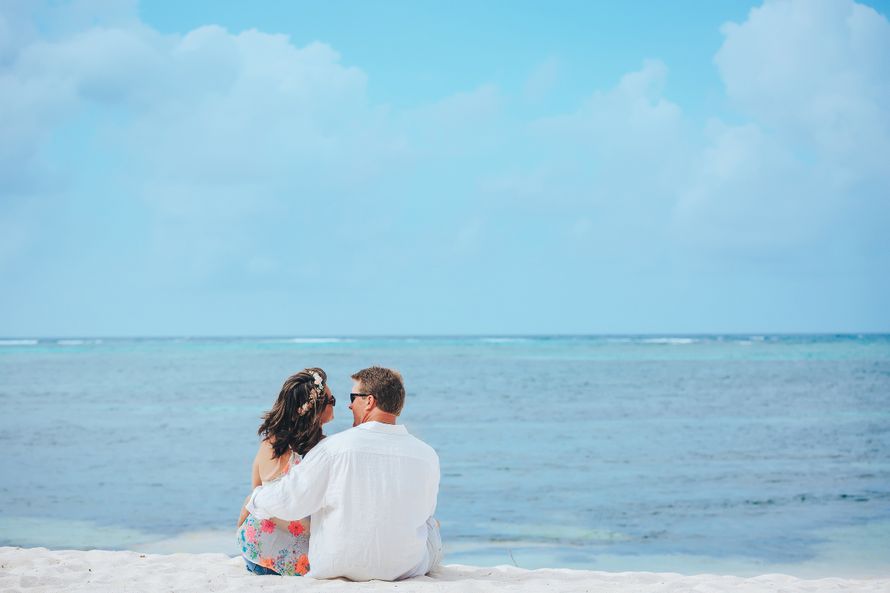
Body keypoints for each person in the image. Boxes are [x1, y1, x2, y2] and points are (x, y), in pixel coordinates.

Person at [245, 366, 441, 581]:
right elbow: (425, 512)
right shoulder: (427, 455)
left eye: (352, 397)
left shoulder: (332, 449)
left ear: (369, 401)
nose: (348, 405)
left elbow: (290, 500)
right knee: (431, 524)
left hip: (339, 564)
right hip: (407, 567)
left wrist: (256, 499)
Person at [236, 368, 335, 576]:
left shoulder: (269, 443)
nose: (336, 403)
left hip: (252, 549)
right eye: (331, 400)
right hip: (294, 560)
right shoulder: (321, 451)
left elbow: (257, 491)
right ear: (315, 410)